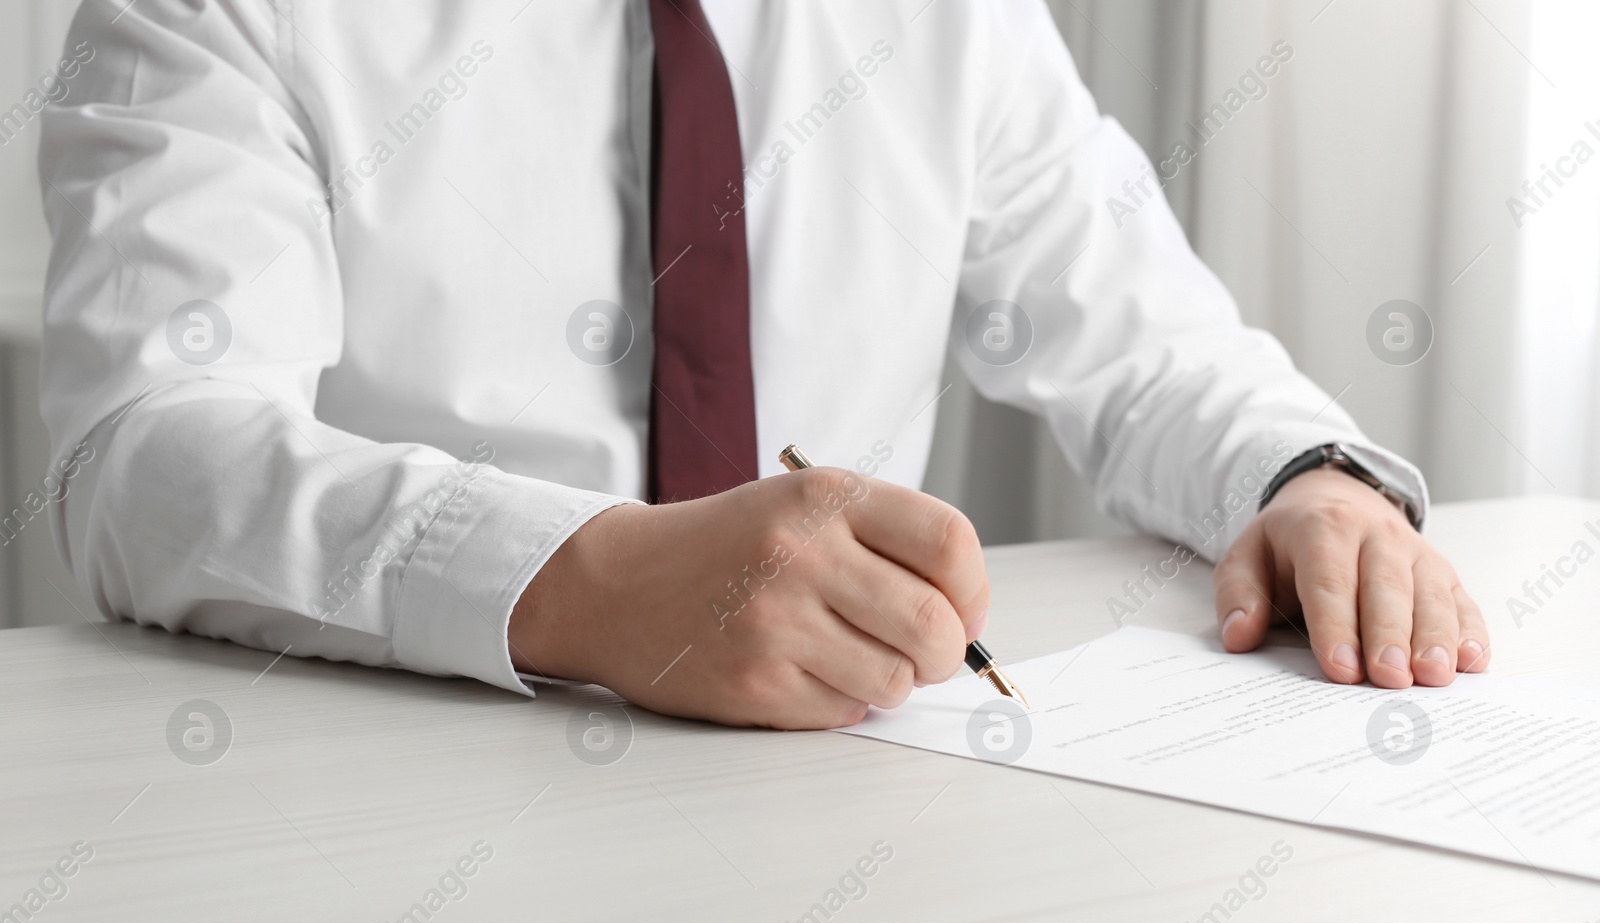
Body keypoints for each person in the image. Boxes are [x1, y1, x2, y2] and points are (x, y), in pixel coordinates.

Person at [37, 0, 1488, 729]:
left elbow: (1151, 345)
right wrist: (587, 581)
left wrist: (1308, 481)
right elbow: (146, 455)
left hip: (846, 794)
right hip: (395, 784)